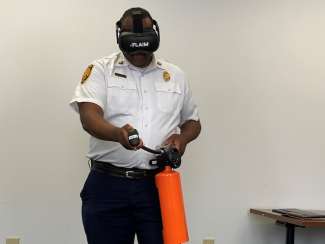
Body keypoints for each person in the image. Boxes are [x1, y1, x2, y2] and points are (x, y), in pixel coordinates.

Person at [70, 7, 201, 244]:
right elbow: (89, 117)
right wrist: (117, 133)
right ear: (120, 38)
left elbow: (193, 122)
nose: (139, 54)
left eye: (145, 45)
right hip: (108, 186)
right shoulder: (100, 70)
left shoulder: (175, 75)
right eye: (133, 46)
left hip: (158, 185)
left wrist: (182, 139)